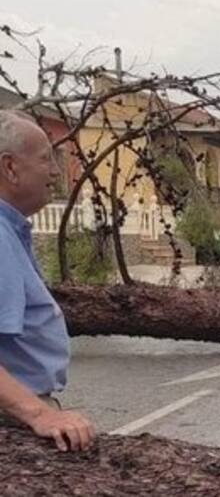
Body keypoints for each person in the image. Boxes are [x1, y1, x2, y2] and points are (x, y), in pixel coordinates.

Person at [0, 111, 96, 451]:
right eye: (46, 159)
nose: (56, 171)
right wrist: (39, 414)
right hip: (13, 419)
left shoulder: (10, 230)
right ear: (10, 168)